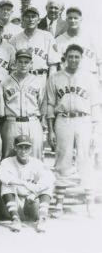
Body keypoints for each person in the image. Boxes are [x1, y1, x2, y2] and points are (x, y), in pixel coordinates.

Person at [46, 43, 101, 217]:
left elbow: (95, 106)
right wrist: (50, 130)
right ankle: (59, 203)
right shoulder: (55, 77)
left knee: (86, 159)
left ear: (81, 58)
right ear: (65, 58)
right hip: (63, 120)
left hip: (84, 120)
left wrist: (96, 130)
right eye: (71, 56)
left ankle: (90, 203)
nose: (74, 59)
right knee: (62, 160)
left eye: (77, 56)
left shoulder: (89, 78)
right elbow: (50, 106)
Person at [0, 135, 54, 233]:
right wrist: (24, 183)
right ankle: (15, 219)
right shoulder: (7, 162)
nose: (23, 151)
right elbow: (3, 177)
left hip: (31, 201)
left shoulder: (36, 163)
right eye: (20, 147)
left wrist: (35, 193)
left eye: (26, 148)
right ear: (15, 147)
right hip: (14, 203)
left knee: (48, 187)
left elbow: (50, 178)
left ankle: (42, 218)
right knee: (6, 185)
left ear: (31, 149)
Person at [1, 49, 45, 159]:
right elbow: (1, 104)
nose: (23, 65)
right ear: (15, 63)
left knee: (35, 157)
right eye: (20, 61)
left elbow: (42, 104)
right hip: (12, 122)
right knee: (9, 156)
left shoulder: (38, 81)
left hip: (32, 121)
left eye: (26, 62)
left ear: (31, 64)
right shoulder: (5, 81)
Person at [10, 6, 61, 85]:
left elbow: (53, 65)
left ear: (38, 20)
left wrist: (50, 84)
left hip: (40, 77)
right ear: (23, 20)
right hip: (20, 79)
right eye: (27, 17)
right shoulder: (15, 39)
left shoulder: (47, 36)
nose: (30, 19)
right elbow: (12, 66)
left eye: (33, 16)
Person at [55, 6, 102, 80]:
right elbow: (56, 65)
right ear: (66, 20)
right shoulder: (59, 40)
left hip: (90, 80)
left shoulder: (92, 39)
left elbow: (100, 62)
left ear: (81, 19)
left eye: (75, 18)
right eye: (70, 18)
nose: (73, 21)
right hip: (68, 80)